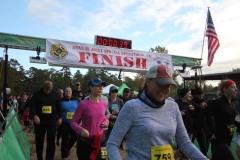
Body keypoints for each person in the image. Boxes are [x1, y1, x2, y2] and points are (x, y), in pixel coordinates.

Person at [107, 64, 208, 160]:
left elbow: (185, 143)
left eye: (168, 85)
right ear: (148, 81)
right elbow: (112, 144)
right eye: (161, 84)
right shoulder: (132, 107)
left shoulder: (173, 107)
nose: (165, 89)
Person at [70, 77, 109, 160]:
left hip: (102, 141)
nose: (101, 88)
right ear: (91, 88)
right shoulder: (83, 104)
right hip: (86, 143)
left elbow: (105, 118)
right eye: (98, 85)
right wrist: (81, 130)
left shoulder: (104, 103)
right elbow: (73, 122)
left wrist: (106, 122)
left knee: (104, 158)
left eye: (102, 85)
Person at [206, 79, 238, 160]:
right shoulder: (217, 102)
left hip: (228, 138)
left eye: (236, 87)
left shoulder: (232, 103)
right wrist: (208, 133)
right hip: (218, 139)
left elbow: (231, 120)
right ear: (225, 89)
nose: (236, 89)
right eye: (233, 87)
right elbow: (203, 116)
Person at [29, 81, 62, 160]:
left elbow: (59, 107)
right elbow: (32, 106)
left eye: (49, 89)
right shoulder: (36, 95)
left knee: (51, 140)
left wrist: (60, 117)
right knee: (39, 140)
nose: (48, 91)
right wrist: (34, 115)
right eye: (46, 89)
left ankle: (49, 158)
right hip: (39, 121)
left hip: (51, 121)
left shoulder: (55, 95)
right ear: (43, 88)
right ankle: (39, 157)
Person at [60, 87, 79, 160]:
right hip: (65, 122)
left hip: (74, 122)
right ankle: (64, 156)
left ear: (71, 92)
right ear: (64, 93)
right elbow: (58, 110)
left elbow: (79, 109)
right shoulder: (61, 101)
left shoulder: (76, 100)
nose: (68, 93)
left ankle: (67, 148)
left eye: (69, 91)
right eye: (66, 91)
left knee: (75, 137)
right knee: (65, 138)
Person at [191, 87, 208, 156]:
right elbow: (195, 109)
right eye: (199, 94)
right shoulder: (192, 102)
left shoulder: (203, 101)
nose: (201, 96)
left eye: (201, 94)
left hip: (200, 127)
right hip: (193, 127)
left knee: (204, 146)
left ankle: (203, 157)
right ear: (195, 95)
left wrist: (205, 104)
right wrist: (201, 107)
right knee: (189, 144)